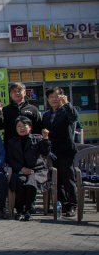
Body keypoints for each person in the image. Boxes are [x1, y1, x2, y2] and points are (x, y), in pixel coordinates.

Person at [5, 116, 51, 221]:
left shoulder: (38, 138)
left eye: (24, 125)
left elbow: (45, 153)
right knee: (20, 181)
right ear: (16, 128)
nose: (22, 128)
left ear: (30, 127)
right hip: (20, 170)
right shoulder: (12, 141)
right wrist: (21, 168)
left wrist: (45, 139)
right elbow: (10, 158)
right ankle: (20, 210)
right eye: (19, 126)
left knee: (31, 181)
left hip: (37, 170)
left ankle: (29, 210)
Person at [42, 86, 78, 217]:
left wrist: (66, 104)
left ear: (62, 97)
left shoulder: (66, 111)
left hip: (66, 150)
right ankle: (62, 204)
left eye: (56, 96)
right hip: (52, 152)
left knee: (68, 178)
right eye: (51, 97)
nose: (54, 99)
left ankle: (72, 205)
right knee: (56, 180)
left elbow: (74, 118)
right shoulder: (46, 115)